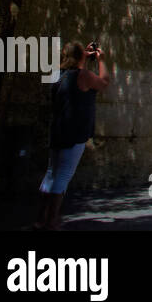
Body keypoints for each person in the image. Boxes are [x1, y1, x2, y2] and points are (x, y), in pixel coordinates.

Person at [35, 41, 110, 230]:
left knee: (51, 174)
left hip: (58, 130)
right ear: (80, 57)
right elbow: (104, 83)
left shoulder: (58, 74)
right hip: (75, 132)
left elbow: (73, 80)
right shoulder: (83, 76)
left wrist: (82, 58)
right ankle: (52, 221)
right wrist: (102, 61)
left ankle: (41, 218)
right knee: (63, 176)